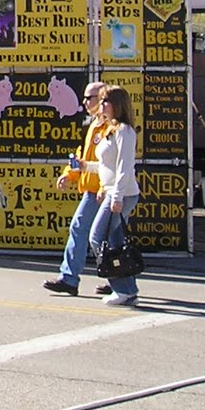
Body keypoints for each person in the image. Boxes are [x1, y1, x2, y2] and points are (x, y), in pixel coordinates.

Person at [43, 81, 111, 298]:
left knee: (95, 234)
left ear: (101, 100)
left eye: (89, 98)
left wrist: (103, 187)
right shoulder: (92, 125)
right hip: (92, 190)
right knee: (94, 233)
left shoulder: (112, 127)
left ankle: (72, 278)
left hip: (104, 191)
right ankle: (111, 278)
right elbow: (81, 156)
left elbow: (114, 163)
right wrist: (69, 175)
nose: (84, 102)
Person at [88, 85, 142, 307]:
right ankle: (127, 290)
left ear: (117, 105)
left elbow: (124, 167)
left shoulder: (125, 132)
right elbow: (105, 165)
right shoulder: (109, 130)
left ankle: (122, 288)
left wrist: (117, 196)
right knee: (114, 242)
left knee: (97, 237)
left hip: (121, 193)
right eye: (101, 101)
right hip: (111, 190)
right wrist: (85, 167)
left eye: (106, 102)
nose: (102, 106)